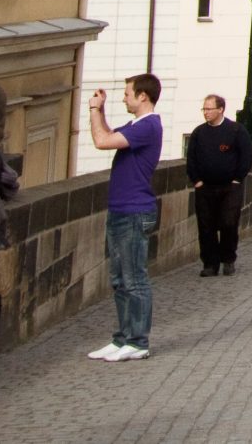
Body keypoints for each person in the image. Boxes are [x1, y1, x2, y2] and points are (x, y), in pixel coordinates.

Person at [85, 74, 164, 360]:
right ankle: (122, 338)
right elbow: (108, 134)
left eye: (128, 93)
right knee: (120, 279)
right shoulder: (135, 125)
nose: (124, 97)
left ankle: (138, 341)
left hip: (134, 210)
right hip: (121, 208)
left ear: (143, 96)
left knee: (134, 279)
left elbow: (102, 141)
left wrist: (93, 109)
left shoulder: (149, 126)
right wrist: (101, 111)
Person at [185, 94, 252, 276]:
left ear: (220, 109)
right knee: (206, 225)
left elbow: (246, 155)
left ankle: (228, 259)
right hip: (205, 186)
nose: (206, 113)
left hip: (229, 187)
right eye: (204, 109)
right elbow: (191, 158)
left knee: (228, 222)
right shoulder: (199, 133)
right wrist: (197, 180)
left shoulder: (235, 130)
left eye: (209, 109)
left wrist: (237, 178)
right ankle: (210, 263)